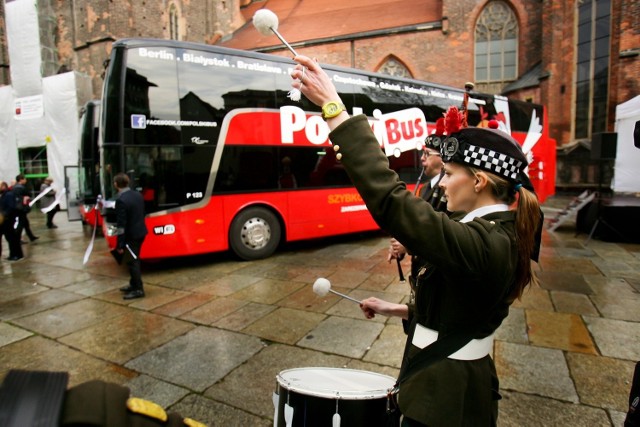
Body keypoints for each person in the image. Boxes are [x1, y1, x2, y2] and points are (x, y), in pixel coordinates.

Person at [290, 55, 542, 426]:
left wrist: (334, 110)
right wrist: (398, 309)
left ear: (478, 182)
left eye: (450, 173)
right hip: (440, 382)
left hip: (443, 399)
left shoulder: (487, 243)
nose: (440, 183)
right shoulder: (489, 232)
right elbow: (462, 309)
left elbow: (391, 200)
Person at [388, 120, 449, 290]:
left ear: (442, 158)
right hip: (420, 270)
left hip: (436, 275)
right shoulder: (424, 189)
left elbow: (441, 236)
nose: (422, 158)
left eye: (427, 153)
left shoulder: (449, 191)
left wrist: (407, 246)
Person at [113, 172, 148, 300]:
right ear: (127, 182)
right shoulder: (137, 195)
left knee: (133, 262)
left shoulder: (121, 200)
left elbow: (121, 225)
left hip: (131, 235)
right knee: (132, 259)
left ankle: (138, 289)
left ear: (116, 184)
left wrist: (120, 244)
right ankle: (133, 284)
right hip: (141, 232)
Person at [0, 180, 24, 261]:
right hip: (6, 220)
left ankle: (16, 255)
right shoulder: (4, 194)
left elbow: (11, 207)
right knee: (10, 238)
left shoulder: (8, 194)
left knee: (12, 238)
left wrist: (4, 214)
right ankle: (13, 254)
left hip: (8, 220)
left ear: (3, 186)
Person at [12, 174, 38, 243]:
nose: (26, 180)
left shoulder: (15, 187)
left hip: (19, 207)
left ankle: (31, 236)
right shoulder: (20, 187)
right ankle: (17, 239)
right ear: (21, 179)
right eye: (24, 179)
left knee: (25, 223)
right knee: (21, 223)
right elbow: (28, 194)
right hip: (21, 208)